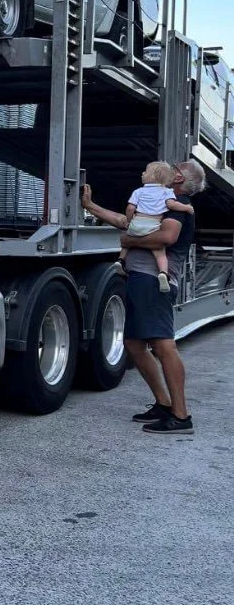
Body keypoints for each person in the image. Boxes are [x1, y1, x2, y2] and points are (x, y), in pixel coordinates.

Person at [81, 158, 206, 435]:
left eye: (177, 167)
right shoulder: (159, 201)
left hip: (155, 281)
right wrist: (91, 207)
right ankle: (164, 404)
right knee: (134, 345)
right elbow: (126, 221)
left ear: (179, 179)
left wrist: (129, 241)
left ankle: (181, 416)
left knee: (163, 346)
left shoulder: (179, 204)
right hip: (140, 279)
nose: (172, 168)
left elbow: (167, 238)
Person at [115, 161, 194, 292]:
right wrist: (186, 208)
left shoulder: (138, 191)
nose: (142, 173)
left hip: (137, 222)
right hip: (152, 225)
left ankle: (120, 260)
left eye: (145, 172)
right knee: (160, 253)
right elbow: (171, 205)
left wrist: (129, 221)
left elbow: (130, 208)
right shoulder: (167, 192)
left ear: (152, 177)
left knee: (126, 244)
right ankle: (163, 272)